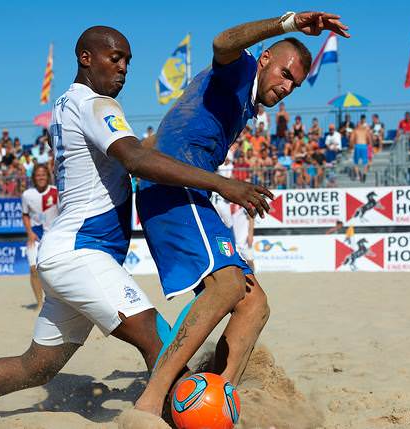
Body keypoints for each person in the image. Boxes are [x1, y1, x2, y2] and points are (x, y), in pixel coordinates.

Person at [0, 25, 266, 417]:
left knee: (35, 367)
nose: (124, 68)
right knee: (159, 342)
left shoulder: (66, 104)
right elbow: (136, 160)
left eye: (127, 61)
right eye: (115, 58)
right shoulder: (97, 105)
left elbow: (128, 154)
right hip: (82, 253)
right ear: (86, 58)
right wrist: (222, 183)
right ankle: (176, 419)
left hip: (65, 252)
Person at [134, 11, 349, 418]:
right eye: (285, 74)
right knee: (227, 286)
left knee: (256, 304)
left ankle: (216, 397)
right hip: (172, 188)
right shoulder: (241, 70)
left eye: (295, 85)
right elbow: (222, 42)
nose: (287, 87)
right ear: (265, 58)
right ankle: (149, 404)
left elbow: (167, 130)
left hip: (190, 190)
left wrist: (140, 151)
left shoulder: (244, 102)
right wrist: (288, 23)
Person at [21, 164, 58, 311]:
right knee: (33, 269)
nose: (41, 177)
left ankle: (57, 302)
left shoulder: (57, 192)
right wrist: (29, 232)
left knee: (55, 271)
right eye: (38, 175)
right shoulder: (27, 195)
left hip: (54, 236)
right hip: (35, 236)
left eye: (43, 174)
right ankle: (40, 302)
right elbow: (25, 215)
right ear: (34, 178)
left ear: (48, 176)